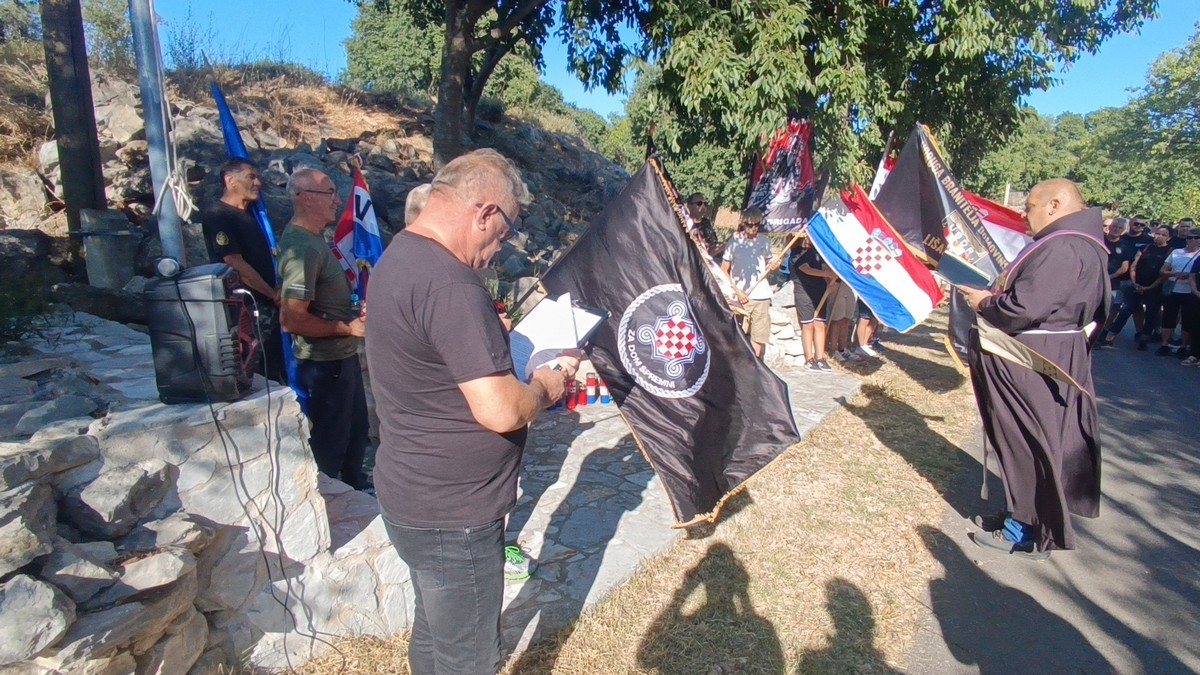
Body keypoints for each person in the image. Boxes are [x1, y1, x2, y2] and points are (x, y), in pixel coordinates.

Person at [365, 149, 576, 675]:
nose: (499, 247)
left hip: (414, 494)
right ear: (485, 212)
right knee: (469, 658)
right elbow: (502, 411)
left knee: (436, 637)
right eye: (503, 233)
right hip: (454, 515)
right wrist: (548, 384)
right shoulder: (451, 284)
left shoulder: (404, 254)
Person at [961, 178, 1107, 559]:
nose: (1025, 215)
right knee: (1027, 439)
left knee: (1028, 440)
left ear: (1056, 205)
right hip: (1049, 350)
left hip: (1031, 355)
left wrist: (984, 303)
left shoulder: (1065, 246)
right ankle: (1022, 513)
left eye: (1029, 206)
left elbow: (1023, 309)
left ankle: (1025, 528)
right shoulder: (1081, 243)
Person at [277, 167, 370, 490]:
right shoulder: (302, 248)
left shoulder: (314, 241)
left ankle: (355, 488)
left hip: (341, 358)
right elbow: (291, 319)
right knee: (332, 439)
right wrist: (346, 327)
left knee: (355, 430)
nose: (337, 200)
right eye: (329, 192)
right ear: (305, 198)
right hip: (324, 364)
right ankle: (333, 500)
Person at [200, 158, 286, 384]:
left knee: (275, 365)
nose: (258, 183)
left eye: (258, 177)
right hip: (248, 307)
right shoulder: (219, 215)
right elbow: (234, 261)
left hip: (268, 304)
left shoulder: (254, 215)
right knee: (257, 370)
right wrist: (270, 292)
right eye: (251, 177)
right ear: (230, 180)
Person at [722, 208, 777, 358]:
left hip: (761, 294)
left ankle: (755, 363)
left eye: (756, 225)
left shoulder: (764, 241)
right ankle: (737, 362)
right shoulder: (734, 242)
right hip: (739, 295)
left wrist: (774, 265)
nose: (753, 228)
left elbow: (770, 262)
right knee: (736, 330)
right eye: (749, 225)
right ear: (743, 223)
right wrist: (737, 291)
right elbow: (724, 269)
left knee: (759, 333)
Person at [1106, 225, 1173, 350]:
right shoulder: (1145, 248)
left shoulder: (1170, 251)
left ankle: (1144, 340)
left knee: (1151, 314)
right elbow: (1133, 267)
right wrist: (1134, 282)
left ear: (1169, 238)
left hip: (1154, 287)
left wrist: (1149, 287)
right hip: (1136, 285)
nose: (1159, 236)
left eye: (1164, 235)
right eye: (1158, 233)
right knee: (1125, 311)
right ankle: (1109, 338)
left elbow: (1164, 273)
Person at [789, 234, 835, 372]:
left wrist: (829, 279)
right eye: (805, 237)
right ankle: (809, 359)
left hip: (820, 292)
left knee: (820, 324)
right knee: (808, 325)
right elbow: (806, 269)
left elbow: (823, 267)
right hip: (804, 292)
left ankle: (820, 358)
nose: (808, 240)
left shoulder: (817, 251)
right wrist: (826, 274)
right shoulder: (796, 252)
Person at [1157, 231, 1200, 357]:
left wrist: (1188, 276)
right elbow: (1163, 270)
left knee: (1187, 320)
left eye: (1196, 237)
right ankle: (1164, 344)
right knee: (1168, 317)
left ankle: (1183, 346)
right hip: (1173, 289)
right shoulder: (1176, 252)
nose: (1192, 240)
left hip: (1190, 292)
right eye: (1189, 237)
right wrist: (1175, 274)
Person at [1097, 218, 1134, 347]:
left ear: (1124, 231)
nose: (1116, 230)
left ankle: (1103, 333)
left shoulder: (1126, 246)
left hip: (1114, 283)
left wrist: (1109, 277)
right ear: (1109, 227)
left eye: (1120, 228)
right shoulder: (1099, 240)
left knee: (1112, 309)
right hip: (1095, 280)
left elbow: (1124, 268)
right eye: (1114, 226)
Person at [685, 192, 725, 260]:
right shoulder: (686, 224)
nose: (703, 207)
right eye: (699, 203)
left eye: (705, 204)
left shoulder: (706, 223)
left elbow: (712, 246)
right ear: (689, 206)